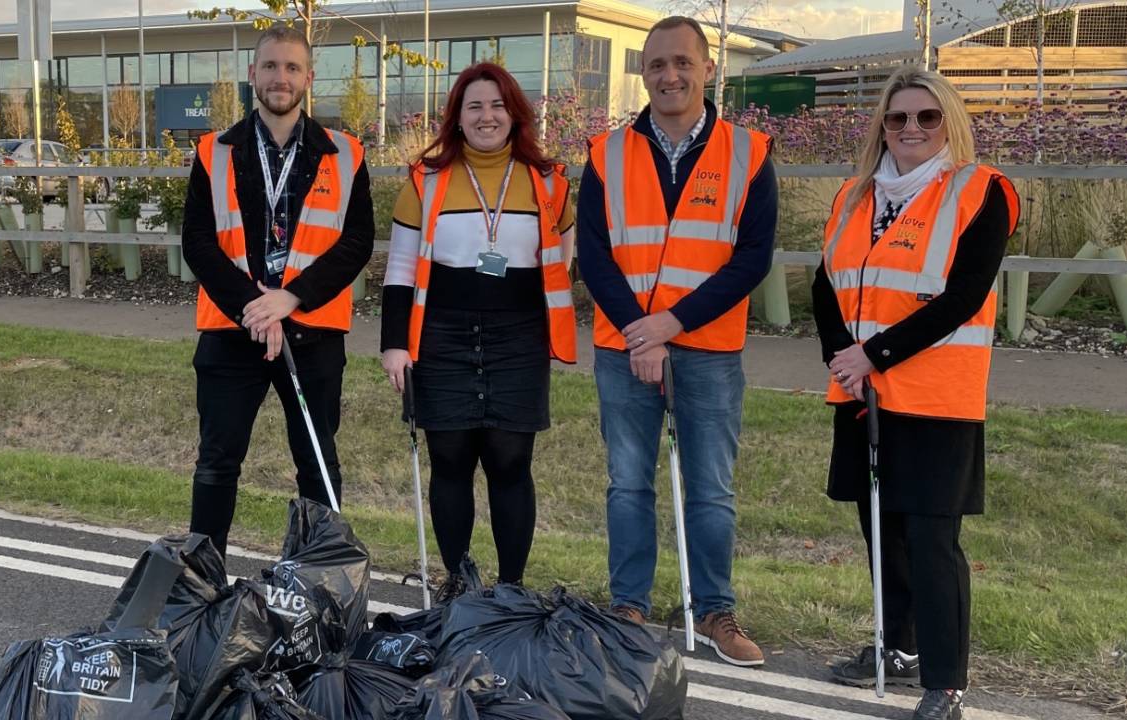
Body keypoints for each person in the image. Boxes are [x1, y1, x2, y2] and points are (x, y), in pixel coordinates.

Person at [812, 66, 1019, 720]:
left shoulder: (982, 191)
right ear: (882, 127)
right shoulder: (854, 195)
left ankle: (946, 680)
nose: (911, 128)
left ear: (948, 123)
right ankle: (897, 647)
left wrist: (872, 355)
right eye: (897, 117)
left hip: (936, 398)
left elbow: (963, 297)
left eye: (927, 117)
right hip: (862, 395)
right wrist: (844, 361)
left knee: (932, 540)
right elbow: (825, 287)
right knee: (883, 532)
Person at [576, 16, 777, 667]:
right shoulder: (605, 153)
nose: (670, 75)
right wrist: (642, 333)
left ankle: (714, 611)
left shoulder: (749, 152)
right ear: (643, 73)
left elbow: (752, 258)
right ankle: (628, 606)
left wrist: (670, 324)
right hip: (624, 348)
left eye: (682, 62)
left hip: (708, 349)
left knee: (711, 488)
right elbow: (594, 255)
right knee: (627, 483)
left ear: (708, 69)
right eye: (657, 64)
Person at [380, 62, 577, 601]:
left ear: (514, 113)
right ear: (457, 117)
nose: (487, 116)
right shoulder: (425, 180)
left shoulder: (549, 182)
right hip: (441, 335)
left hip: (519, 336)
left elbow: (562, 261)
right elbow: (400, 269)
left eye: (497, 105)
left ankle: (511, 588)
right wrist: (395, 344)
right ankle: (458, 580)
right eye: (474, 106)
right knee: (450, 460)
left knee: (511, 461)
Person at [181, 25, 374, 554]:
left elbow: (357, 241)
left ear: (309, 77)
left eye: (291, 67)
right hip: (233, 330)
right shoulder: (214, 151)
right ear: (253, 74)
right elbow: (197, 242)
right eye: (269, 66)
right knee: (217, 464)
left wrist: (290, 299)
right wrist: (255, 307)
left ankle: (319, 581)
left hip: (313, 332)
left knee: (317, 463)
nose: (280, 78)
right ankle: (204, 580)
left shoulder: (346, 153)